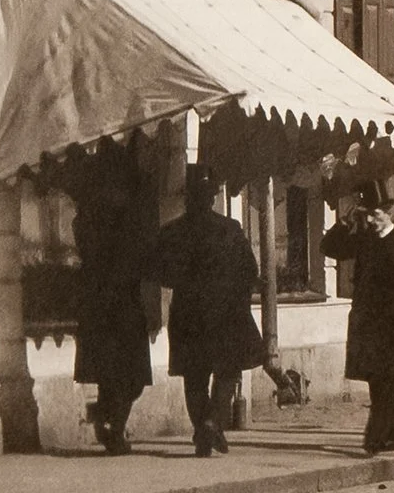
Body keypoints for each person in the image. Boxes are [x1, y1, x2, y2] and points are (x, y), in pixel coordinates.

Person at [149, 166, 266, 457]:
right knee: (227, 372)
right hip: (225, 314)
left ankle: (205, 429)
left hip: (187, 314)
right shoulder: (230, 229)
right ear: (212, 198)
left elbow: (159, 274)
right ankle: (213, 423)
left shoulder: (171, 232)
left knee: (194, 377)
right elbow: (250, 271)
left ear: (187, 198)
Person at [323, 189, 394, 455]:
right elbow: (328, 249)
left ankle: (374, 437)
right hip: (366, 321)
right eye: (368, 216)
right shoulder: (363, 240)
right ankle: (393, 435)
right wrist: (344, 222)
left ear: (389, 214)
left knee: (385, 379)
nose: (372, 221)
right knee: (378, 381)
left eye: (376, 215)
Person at [71, 151, 153, 454]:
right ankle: (113, 428)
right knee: (130, 377)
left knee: (111, 375)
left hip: (100, 304)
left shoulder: (88, 219)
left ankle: (108, 422)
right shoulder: (122, 222)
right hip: (122, 305)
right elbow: (137, 258)